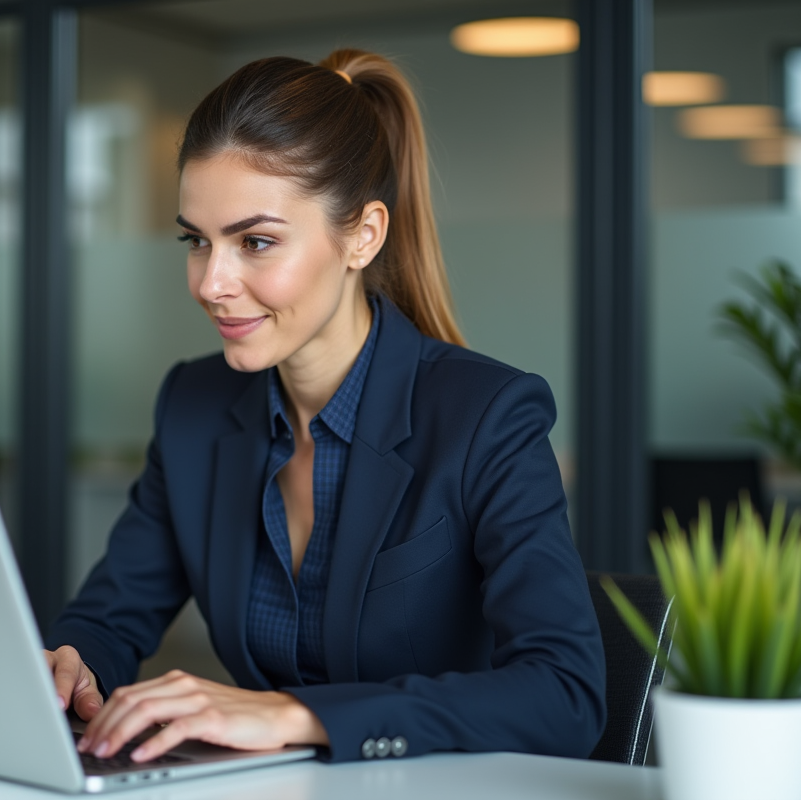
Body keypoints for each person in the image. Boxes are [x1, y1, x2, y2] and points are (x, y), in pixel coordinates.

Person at [43, 48, 606, 765]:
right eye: (196, 241)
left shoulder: (486, 416)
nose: (211, 282)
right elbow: (109, 620)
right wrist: (71, 664)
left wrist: (296, 714)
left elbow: (567, 696)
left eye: (255, 242)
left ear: (363, 236)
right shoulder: (194, 406)